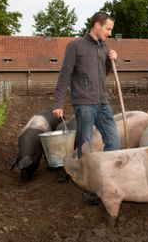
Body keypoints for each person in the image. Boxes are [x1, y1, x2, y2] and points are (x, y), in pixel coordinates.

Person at [53, 12, 120, 201]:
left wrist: (111, 60)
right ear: (97, 25)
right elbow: (64, 76)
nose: (109, 33)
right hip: (84, 104)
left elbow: (103, 74)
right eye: (108, 29)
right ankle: (88, 187)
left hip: (102, 102)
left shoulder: (104, 47)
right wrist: (58, 103)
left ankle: (104, 180)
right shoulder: (75, 46)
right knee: (86, 147)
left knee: (114, 141)